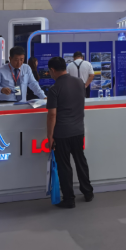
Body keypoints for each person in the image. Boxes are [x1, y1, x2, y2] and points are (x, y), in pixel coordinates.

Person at [46, 56, 94, 209]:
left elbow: (52, 115)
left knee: (64, 166)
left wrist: (50, 137)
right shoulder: (79, 82)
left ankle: (69, 199)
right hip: (78, 130)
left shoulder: (54, 89)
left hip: (62, 133)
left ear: (52, 70)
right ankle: (88, 192)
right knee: (81, 161)